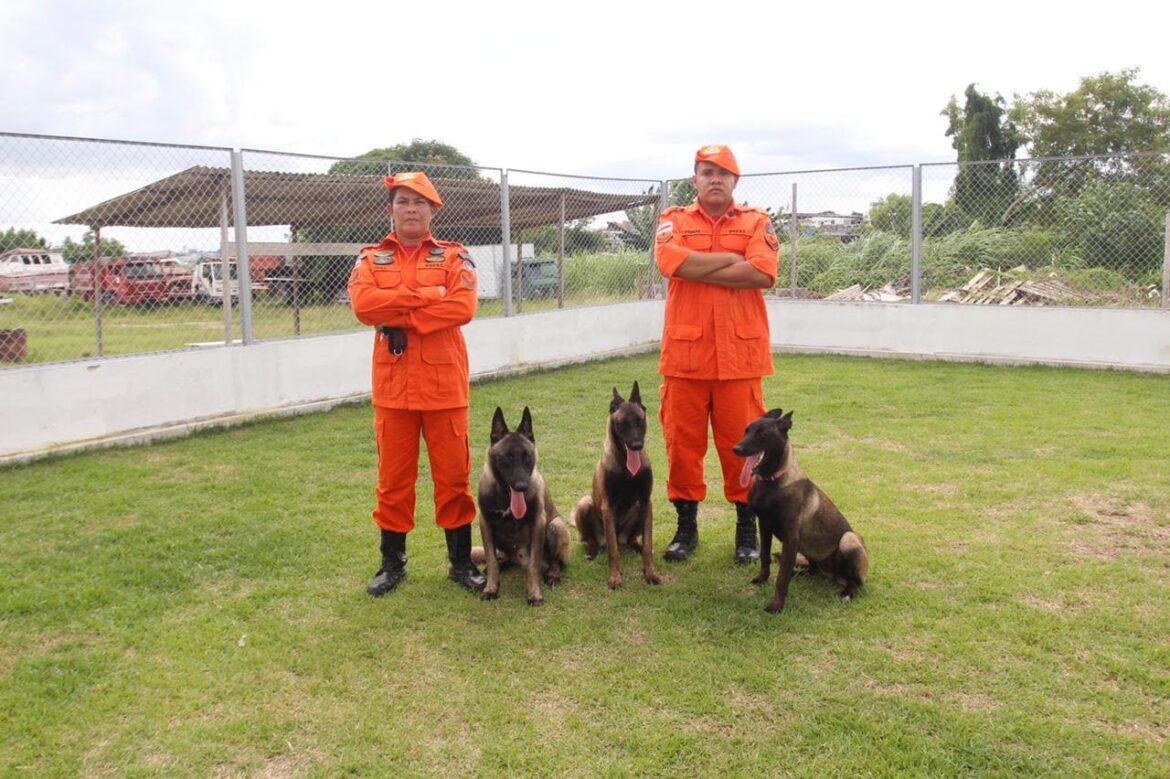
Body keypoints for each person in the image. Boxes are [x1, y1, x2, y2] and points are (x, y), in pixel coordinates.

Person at [348, 171, 485, 595]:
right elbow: (363, 306)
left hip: (444, 389)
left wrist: (397, 314)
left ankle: (461, 563)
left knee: (453, 479)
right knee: (393, 481)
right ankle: (393, 564)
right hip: (393, 390)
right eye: (403, 201)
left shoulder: (454, 255)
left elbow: (462, 307)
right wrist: (426, 297)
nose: (411, 209)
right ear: (390, 209)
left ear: (432, 210)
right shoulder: (369, 258)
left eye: (419, 202)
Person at [653, 145, 781, 564]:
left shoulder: (756, 221)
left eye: (724, 173)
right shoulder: (674, 219)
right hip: (686, 360)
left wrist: (697, 264)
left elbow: (762, 273)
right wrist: (731, 259)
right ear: (695, 178)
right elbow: (669, 262)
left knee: (741, 446)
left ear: (735, 182)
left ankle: (747, 530)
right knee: (682, 446)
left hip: (739, 361)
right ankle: (685, 528)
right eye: (707, 171)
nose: (715, 179)